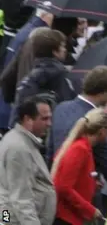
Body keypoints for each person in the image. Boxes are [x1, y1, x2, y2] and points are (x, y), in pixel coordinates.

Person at [49, 66, 107, 193]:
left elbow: (51, 150)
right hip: (81, 193)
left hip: (56, 184)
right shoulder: (95, 119)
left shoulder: (60, 108)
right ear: (104, 92)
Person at [0, 94, 56, 225]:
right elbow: (21, 198)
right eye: (44, 119)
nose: (49, 124)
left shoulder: (17, 139)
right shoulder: (19, 148)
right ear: (28, 119)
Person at [51, 108, 107, 225]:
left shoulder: (84, 148)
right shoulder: (80, 149)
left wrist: (91, 183)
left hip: (71, 217)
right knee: (4, 218)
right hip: (66, 218)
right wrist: (90, 210)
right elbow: (63, 187)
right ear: (102, 131)